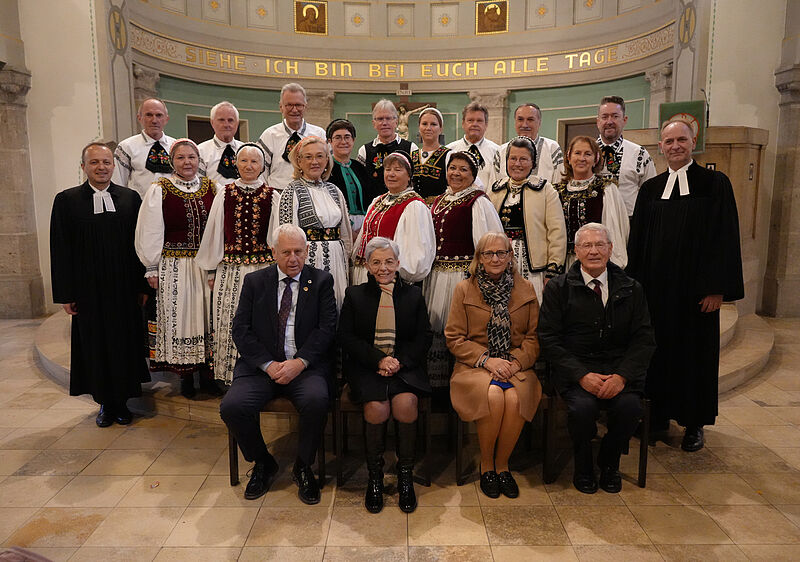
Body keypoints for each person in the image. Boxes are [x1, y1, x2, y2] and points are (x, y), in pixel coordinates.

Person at [627, 119, 744, 452]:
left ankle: (694, 424)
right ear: (660, 147)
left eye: (681, 139)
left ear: (693, 142)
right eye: (668, 141)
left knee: (695, 356)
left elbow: (724, 238)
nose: (675, 146)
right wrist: (635, 290)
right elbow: (638, 243)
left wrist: (716, 288)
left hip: (696, 294)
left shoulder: (713, 184)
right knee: (656, 354)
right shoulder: (650, 189)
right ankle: (658, 417)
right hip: (656, 293)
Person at [220, 224, 337, 504]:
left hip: (304, 368)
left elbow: (327, 328)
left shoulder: (321, 281)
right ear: (273, 252)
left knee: (317, 400)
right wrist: (268, 364)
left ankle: (303, 466)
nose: (293, 258)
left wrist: (300, 362)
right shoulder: (255, 281)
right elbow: (241, 330)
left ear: (307, 251)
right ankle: (263, 462)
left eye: (298, 251)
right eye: (286, 252)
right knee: (232, 407)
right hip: (261, 369)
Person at [538, 223, 655, 494]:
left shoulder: (632, 288)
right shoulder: (559, 288)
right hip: (576, 371)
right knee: (582, 410)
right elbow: (549, 339)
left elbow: (644, 339)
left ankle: (609, 461)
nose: (594, 251)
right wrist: (581, 375)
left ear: (611, 249)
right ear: (576, 251)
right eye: (587, 246)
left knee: (629, 409)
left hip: (618, 370)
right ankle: (583, 465)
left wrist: (622, 376)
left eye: (600, 245)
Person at [50, 142, 150, 427]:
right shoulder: (67, 200)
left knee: (123, 343)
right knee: (95, 345)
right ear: (83, 167)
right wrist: (65, 293)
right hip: (87, 290)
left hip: (123, 289)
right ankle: (105, 403)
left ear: (113, 165)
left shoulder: (130, 199)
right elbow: (60, 248)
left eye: (106, 162)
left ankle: (122, 402)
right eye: (94, 162)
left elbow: (139, 246)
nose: (101, 167)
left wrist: (141, 287)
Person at [338, 237, 432, 514]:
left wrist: (398, 362)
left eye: (389, 261)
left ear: (398, 263)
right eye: (376, 262)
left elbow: (423, 337)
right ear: (367, 264)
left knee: (405, 404)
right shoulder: (355, 295)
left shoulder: (413, 295)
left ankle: (405, 477)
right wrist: (379, 360)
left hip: (404, 367)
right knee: (377, 408)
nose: (383, 268)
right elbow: (346, 337)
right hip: (367, 367)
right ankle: (375, 478)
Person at [446, 232, 542, 499]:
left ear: (511, 256)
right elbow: (454, 338)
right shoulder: (464, 289)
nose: (496, 258)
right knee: (493, 396)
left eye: (502, 253)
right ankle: (486, 464)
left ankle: (503, 465)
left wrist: (516, 362)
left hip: (515, 364)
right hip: (474, 365)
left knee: (513, 399)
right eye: (489, 253)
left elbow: (534, 339)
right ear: (479, 258)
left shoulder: (526, 289)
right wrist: (488, 360)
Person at [135, 138, 217, 398]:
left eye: (191, 157)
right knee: (182, 318)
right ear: (172, 161)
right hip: (175, 266)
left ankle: (208, 374)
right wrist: (152, 266)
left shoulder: (211, 187)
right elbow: (151, 229)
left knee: (207, 316)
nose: (187, 162)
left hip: (206, 265)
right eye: (181, 158)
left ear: (198, 160)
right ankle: (185, 376)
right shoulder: (160, 188)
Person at [195, 143, 279, 385]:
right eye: (244, 161)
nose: (249, 166)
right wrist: (212, 268)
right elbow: (214, 232)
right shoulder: (225, 192)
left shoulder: (273, 195)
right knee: (230, 319)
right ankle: (230, 375)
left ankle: (264, 373)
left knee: (263, 321)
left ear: (263, 165)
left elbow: (276, 236)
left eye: (255, 161)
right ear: (235, 164)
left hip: (263, 270)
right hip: (231, 270)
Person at [425, 151, 503, 388]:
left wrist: (478, 279)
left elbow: (486, 244)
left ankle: (464, 385)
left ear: (473, 175)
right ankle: (438, 388)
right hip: (437, 276)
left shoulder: (477, 201)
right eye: (453, 168)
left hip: (462, 277)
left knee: (460, 329)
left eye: (463, 169)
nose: (456, 173)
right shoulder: (438, 200)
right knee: (437, 327)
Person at [489, 136, 567, 303]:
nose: (517, 164)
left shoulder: (546, 190)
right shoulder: (495, 191)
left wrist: (552, 271)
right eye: (513, 158)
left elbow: (557, 233)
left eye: (523, 159)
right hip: (500, 264)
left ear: (533, 163)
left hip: (534, 268)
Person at [279, 136, 352, 308]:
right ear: (299, 161)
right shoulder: (292, 190)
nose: (314, 162)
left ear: (327, 159)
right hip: (309, 260)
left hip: (337, 258)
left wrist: (347, 258)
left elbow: (346, 232)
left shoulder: (334, 190)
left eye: (320, 156)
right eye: (308, 157)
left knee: (337, 302)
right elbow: (286, 234)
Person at [352, 151, 435, 286]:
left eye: (397, 170)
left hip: (391, 279)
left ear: (409, 176)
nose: (391, 174)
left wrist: (399, 274)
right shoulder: (377, 201)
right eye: (388, 169)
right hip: (366, 274)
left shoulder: (414, 206)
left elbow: (416, 251)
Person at [553, 136, 629, 268]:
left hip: (596, 261)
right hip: (564, 264)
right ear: (568, 158)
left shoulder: (606, 189)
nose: (582, 158)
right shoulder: (556, 191)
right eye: (577, 153)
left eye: (588, 154)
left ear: (596, 159)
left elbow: (615, 231)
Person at [257, 83, 326, 190]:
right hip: (277, 194)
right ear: (281, 107)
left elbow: (327, 167)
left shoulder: (319, 134)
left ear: (305, 107)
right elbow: (260, 170)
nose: (294, 110)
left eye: (298, 105)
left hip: (312, 193)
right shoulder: (269, 135)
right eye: (289, 105)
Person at [596, 96, 656, 218]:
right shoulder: (585, 153)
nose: (609, 121)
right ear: (598, 121)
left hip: (629, 222)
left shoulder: (640, 154)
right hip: (593, 222)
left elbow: (652, 194)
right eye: (605, 116)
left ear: (624, 120)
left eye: (615, 116)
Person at [112, 98, 175, 197]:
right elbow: (118, 183)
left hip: (171, 207)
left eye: (159, 115)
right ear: (139, 118)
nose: (154, 120)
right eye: (149, 115)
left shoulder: (176, 146)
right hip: (138, 208)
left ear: (166, 119)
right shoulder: (126, 147)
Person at [357, 99, 418, 195]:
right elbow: (361, 183)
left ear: (396, 122)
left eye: (388, 118)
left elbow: (416, 180)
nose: (384, 123)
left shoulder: (411, 148)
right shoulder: (364, 151)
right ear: (374, 123)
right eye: (380, 119)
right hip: (374, 205)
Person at [493, 104, 564, 184]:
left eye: (530, 120)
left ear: (539, 122)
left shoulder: (552, 148)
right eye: (520, 119)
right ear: (515, 122)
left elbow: (559, 183)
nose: (524, 125)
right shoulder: (501, 151)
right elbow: (495, 187)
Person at [326, 119, 372, 237]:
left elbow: (370, 198)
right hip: (338, 226)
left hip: (365, 226)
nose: (343, 141)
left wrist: (364, 228)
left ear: (353, 140)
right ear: (330, 141)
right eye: (338, 137)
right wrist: (348, 231)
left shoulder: (360, 167)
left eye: (347, 137)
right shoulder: (325, 168)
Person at [446, 101, 499, 190]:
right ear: (463, 123)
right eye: (470, 120)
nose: (475, 124)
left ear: (486, 124)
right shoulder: (449, 150)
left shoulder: (496, 151)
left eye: (479, 121)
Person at [197, 101, 243, 186]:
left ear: (237, 123)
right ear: (212, 122)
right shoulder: (200, 151)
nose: (226, 124)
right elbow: (198, 185)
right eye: (221, 120)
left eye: (230, 120)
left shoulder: (245, 150)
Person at [411, 107, 451, 204]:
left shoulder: (449, 155)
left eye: (433, 124)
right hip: (414, 209)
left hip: (437, 210)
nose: (428, 128)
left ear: (440, 129)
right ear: (419, 127)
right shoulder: (413, 155)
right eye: (424, 124)